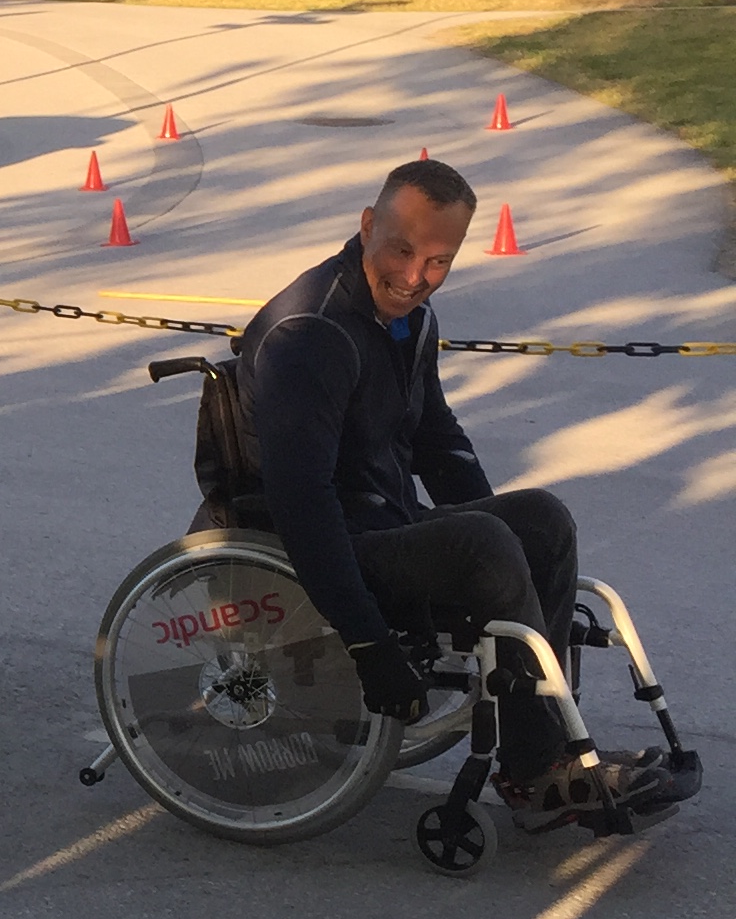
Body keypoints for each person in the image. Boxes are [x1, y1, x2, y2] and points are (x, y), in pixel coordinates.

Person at [232, 160, 692, 833]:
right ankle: (538, 771)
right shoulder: (312, 336)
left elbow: (435, 439)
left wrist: (512, 563)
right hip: (319, 541)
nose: (416, 276)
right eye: (402, 250)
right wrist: (367, 643)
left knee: (538, 519)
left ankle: (548, 744)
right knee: (483, 544)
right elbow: (301, 505)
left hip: (385, 517)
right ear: (367, 226)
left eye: (439, 261)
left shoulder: (407, 320)